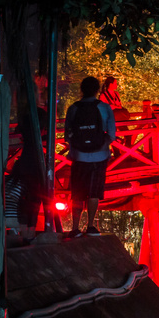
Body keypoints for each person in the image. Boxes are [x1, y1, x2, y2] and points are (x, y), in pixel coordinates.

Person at [64, 76, 117, 237]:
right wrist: (102, 143)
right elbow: (112, 134)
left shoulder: (73, 108)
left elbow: (68, 136)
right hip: (99, 156)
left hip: (79, 157)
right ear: (96, 90)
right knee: (94, 192)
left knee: (78, 192)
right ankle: (91, 226)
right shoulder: (104, 107)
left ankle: (74, 228)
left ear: (81, 89)